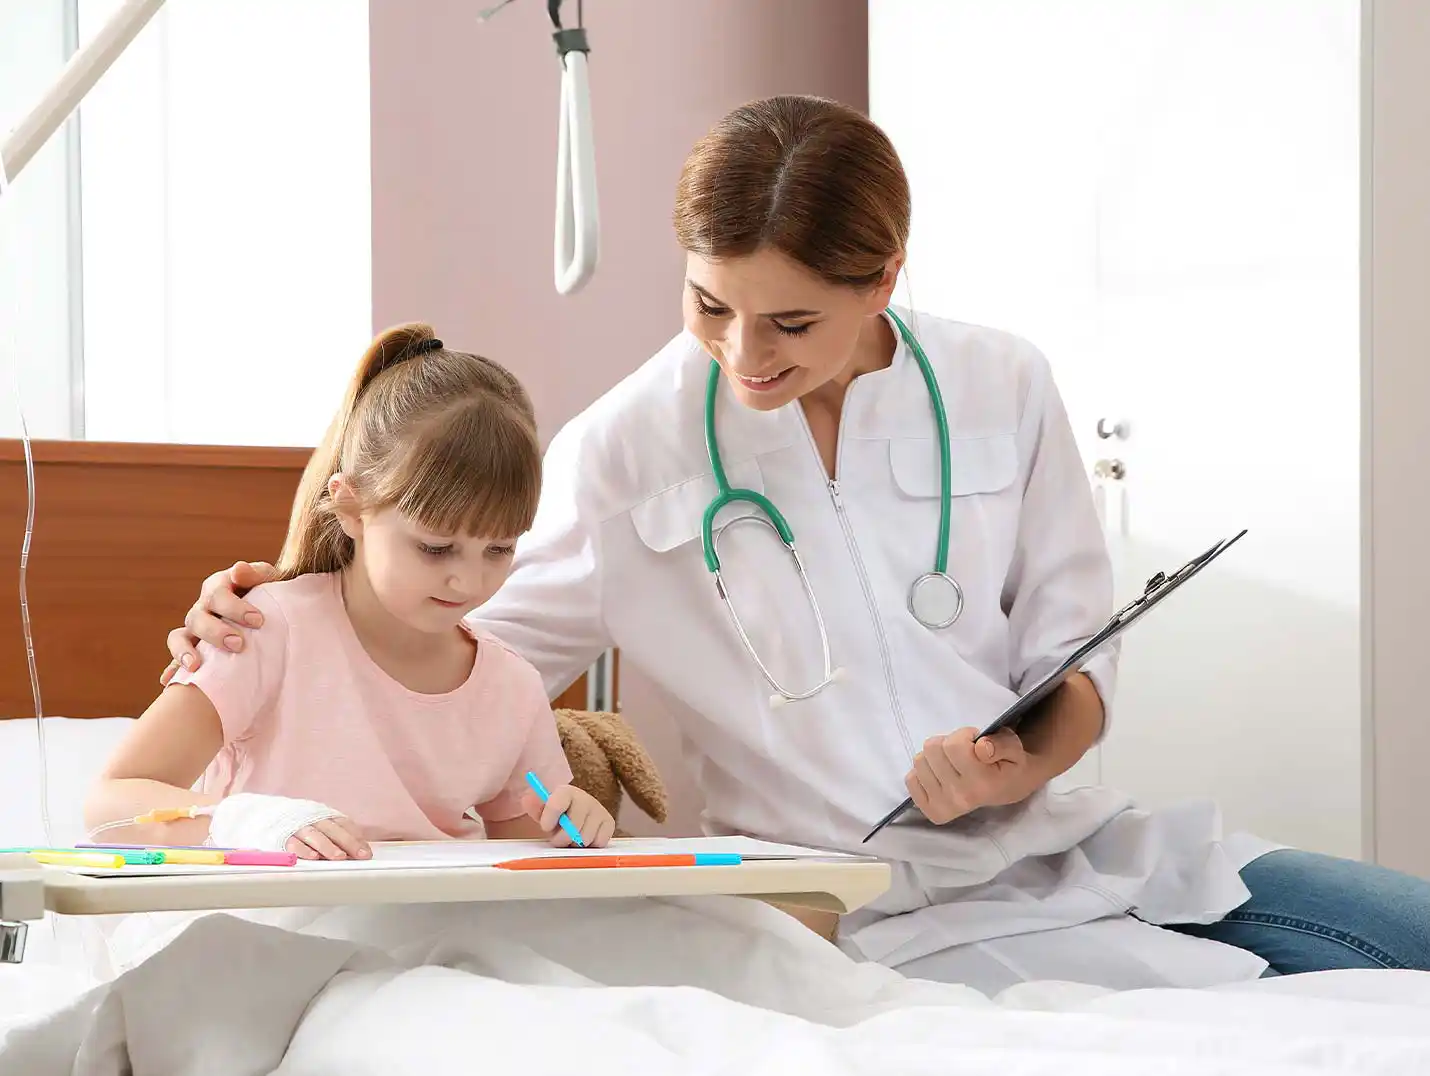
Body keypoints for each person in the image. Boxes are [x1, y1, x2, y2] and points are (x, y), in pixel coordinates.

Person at [158, 96, 1430, 990]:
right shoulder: (628, 449)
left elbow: (1075, 667)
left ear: (881, 281)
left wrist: (1002, 765)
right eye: (709, 305)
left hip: (1071, 850)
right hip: (840, 909)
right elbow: (445, 641)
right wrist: (273, 623)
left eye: (788, 322)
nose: (740, 356)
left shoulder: (1000, 383)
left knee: (1405, 931)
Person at [88, 324, 615, 860]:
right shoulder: (262, 632)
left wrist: (571, 827)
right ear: (351, 509)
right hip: (269, 923)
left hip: (435, 931)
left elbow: (524, 868)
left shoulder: (511, 687)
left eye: (499, 550)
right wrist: (251, 822)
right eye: (435, 549)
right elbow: (111, 804)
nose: (470, 581)